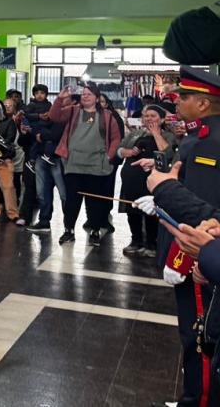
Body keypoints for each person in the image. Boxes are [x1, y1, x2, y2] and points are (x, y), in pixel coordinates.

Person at [137, 65, 220, 407]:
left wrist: (165, 192)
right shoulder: (201, 135)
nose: (178, 102)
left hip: (200, 257)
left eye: (184, 97)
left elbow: (201, 215)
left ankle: (197, 400)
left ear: (203, 104)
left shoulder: (210, 143)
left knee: (199, 335)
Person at [49, 82, 122, 246]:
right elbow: (54, 116)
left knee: (94, 202)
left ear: (97, 98)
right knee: (72, 201)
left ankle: (95, 231)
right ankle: (69, 231)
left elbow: (116, 138)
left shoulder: (108, 116)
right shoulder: (73, 111)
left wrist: (109, 156)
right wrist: (60, 99)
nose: (85, 96)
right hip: (74, 164)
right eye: (83, 94)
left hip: (97, 165)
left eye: (89, 94)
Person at [117, 105, 177, 257]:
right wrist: (129, 151)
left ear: (162, 119)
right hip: (131, 180)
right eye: (146, 116)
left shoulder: (169, 135)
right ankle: (136, 241)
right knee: (132, 210)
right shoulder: (136, 133)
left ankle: (151, 243)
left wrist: (156, 134)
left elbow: (168, 153)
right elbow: (120, 150)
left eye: (153, 116)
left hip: (153, 181)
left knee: (151, 211)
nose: (149, 118)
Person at [24, 84, 67, 233]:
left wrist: (42, 134)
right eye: (38, 93)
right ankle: (44, 221)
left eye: (43, 93)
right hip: (40, 155)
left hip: (56, 156)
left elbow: (57, 133)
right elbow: (29, 124)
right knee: (42, 191)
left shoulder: (61, 113)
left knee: (63, 193)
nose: (40, 95)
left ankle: (69, 225)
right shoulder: (32, 107)